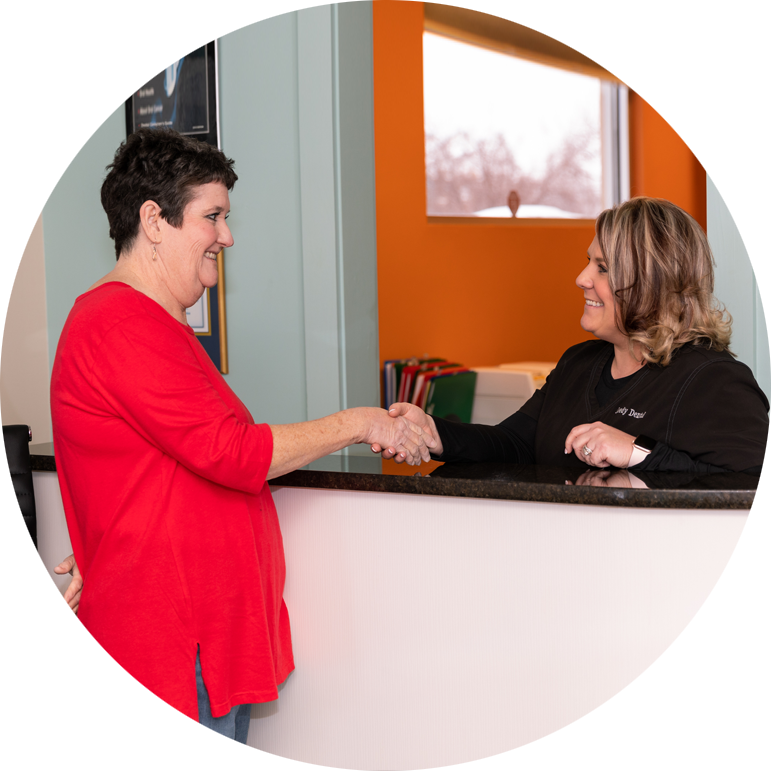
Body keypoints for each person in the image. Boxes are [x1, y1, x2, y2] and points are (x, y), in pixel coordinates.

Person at [50, 128, 436, 770]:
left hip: (202, 640)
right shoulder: (117, 323)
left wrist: (108, 545)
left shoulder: (155, 327)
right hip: (170, 646)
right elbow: (230, 452)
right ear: (153, 220)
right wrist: (362, 421)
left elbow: (154, 470)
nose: (226, 237)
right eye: (213, 217)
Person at [376, 197, 771, 474]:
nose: (581, 279)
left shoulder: (712, 379)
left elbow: (755, 483)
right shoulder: (578, 363)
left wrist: (636, 453)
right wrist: (434, 433)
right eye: (588, 262)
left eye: (602, 268)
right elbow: (514, 445)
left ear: (653, 283)